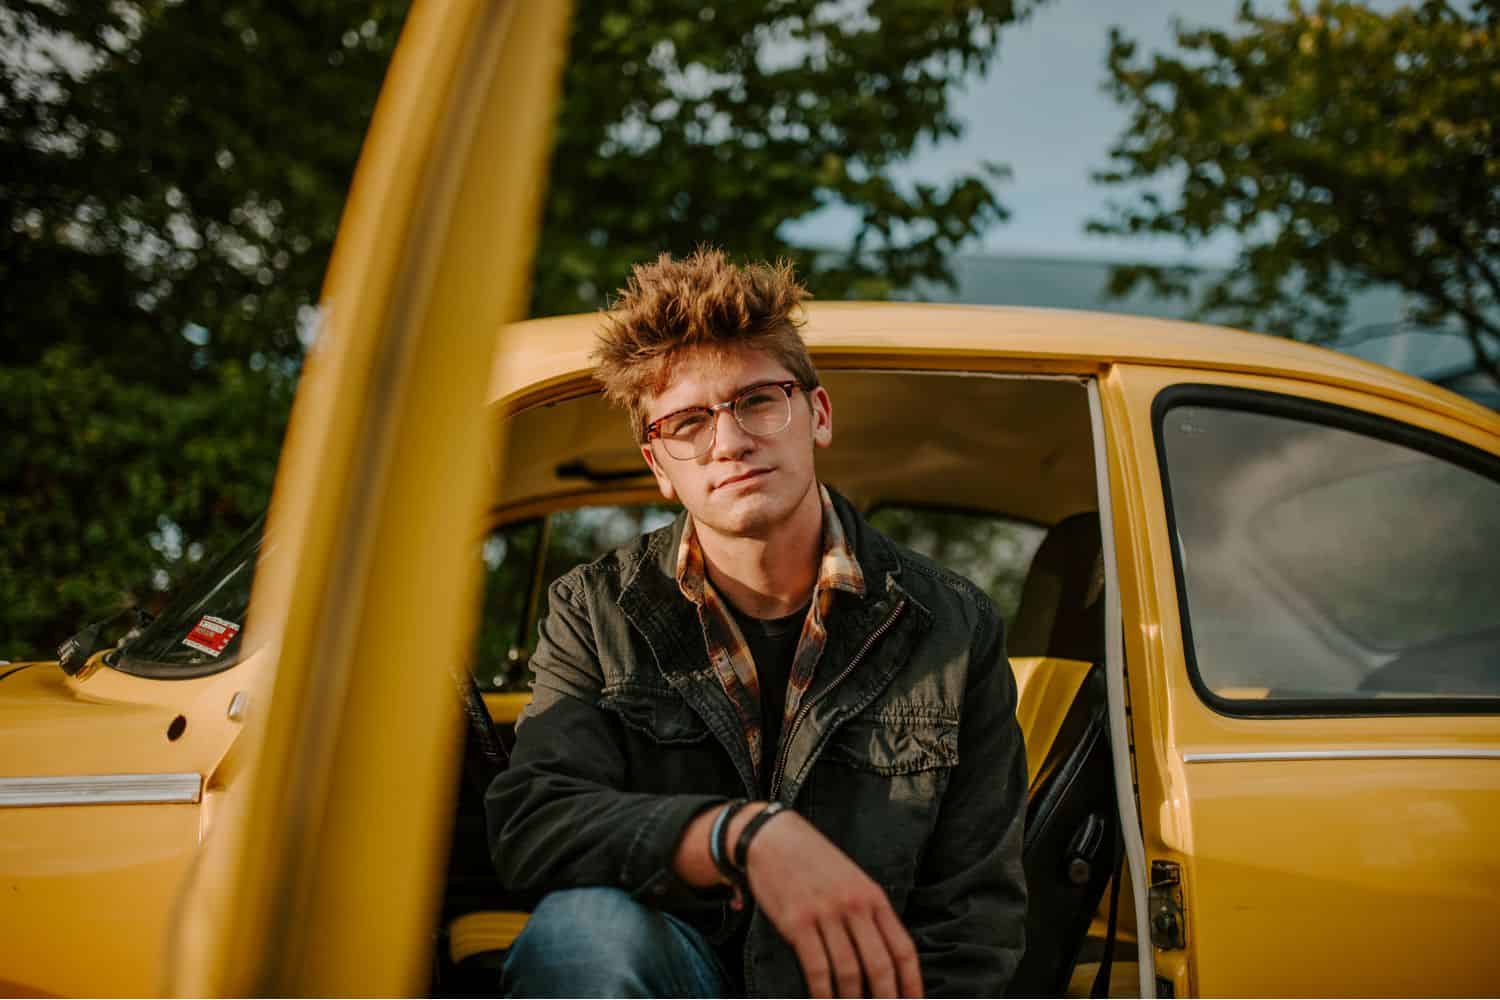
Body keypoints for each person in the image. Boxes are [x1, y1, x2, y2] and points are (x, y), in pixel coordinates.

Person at [486, 248, 1027, 998]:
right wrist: (734, 836)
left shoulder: (953, 624)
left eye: (757, 401)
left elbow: (973, 919)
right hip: (676, 971)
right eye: (688, 422)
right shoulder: (593, 607)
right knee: (584, 935)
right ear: (657, 464)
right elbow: (534, 823)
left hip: (856, 989)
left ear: (819, 415)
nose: (730, 442)